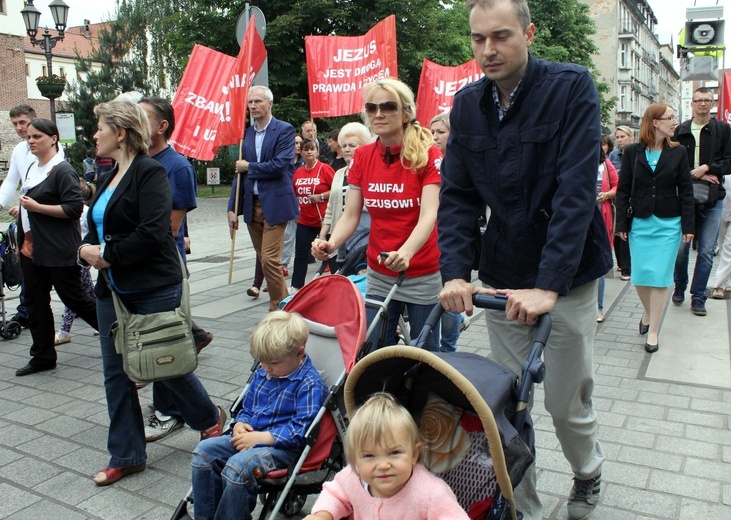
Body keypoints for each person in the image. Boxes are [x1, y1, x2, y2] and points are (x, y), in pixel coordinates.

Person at [436, 1, 612, 519]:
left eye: (501, 36)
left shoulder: (571, 87)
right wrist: (454, 273)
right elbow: (459, 198)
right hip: (505, 277)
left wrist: (550, 285)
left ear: (528, 32)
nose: (487, 50)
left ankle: (587, 471)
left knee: (564, 402)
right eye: (477, 39)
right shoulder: (467, 105)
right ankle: (522, 506)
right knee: (504, 406)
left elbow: (576, 192)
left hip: (569, 278)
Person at [79, 99, 226, 486]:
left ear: (121, 133)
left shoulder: (151, 172)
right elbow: (94, 227)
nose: (95, 135)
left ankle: (209, 419)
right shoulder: (107, 174)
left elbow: (155, 230)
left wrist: (108, 254)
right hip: (111, 290)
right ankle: (127, 454)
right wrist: (84, 250)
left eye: (101, 128)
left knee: (164, 361)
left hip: (151, 284)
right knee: (117, 372)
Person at [311, 78, 443, 352]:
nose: (378, 114)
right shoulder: (362, 156)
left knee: (425, 354)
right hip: (379, 270)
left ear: (406, 113)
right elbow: (350, 215)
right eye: (371, 108)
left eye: (388, 106)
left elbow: (429, 214)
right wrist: (331, 244)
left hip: (421, 270)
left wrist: (406, 252)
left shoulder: (428, 154)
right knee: (374, 349)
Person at [191, 310, 328, 520]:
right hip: (251, 437)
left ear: (299, 353)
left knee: (238, 467)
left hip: (283, 449)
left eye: (272, 362)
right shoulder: (264, 373)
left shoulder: (309, 384)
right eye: (261, 361)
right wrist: (240, 424)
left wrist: (262, 438)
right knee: (204, 452)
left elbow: (302, 430)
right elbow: (247, 408)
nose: (265, 368)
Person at [138, 96, 215, 442]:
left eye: (143, 117)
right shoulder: (135, 162)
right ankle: (172, 408)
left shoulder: (178, 167)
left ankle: (174, 412)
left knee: (162, 346)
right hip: (136, 267)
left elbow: (170, 227)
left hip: (162, 268)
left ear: (162, 126)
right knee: (157, 343)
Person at [10, 119, 99, 377]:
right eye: (29, 137)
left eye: (37, 136)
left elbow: (73, 209)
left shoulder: (62, 170)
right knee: (35, 302)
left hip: (59, 249)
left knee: (76, 299)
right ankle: (43, 356)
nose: (31, 140)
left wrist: (38, 208)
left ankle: (118, 333)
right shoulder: (32, 170)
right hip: (32, 250)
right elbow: (26, 208)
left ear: (53, 138)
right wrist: (21, 239)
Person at [304, 393, 468, 520]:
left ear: (414, 454)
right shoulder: (353, 479)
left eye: (394, 453)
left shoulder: (431, 494)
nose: (383, 465)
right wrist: (322, 515)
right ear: (355, 461)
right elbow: (335, 494)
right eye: (369, 455)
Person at [615, 104, 695, 352]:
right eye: (670, 118)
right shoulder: (632, 152)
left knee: (660, 279)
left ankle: (654, 331)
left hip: (669, 224)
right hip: (640, 222)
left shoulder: (679, 152)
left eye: (674, 118)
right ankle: (649, 313)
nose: (675, 122)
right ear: (655, 122)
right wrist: (621, 224)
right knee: (639, 276)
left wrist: (688, 225)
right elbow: (623, 190)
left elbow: (686, 191)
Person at [228, 86, 298, 311]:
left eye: (258, 101)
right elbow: (239, 174)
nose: (253, 106)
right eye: (250, 102)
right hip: (252, 205)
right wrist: (232, 208)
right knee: (266, 260)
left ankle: (278, 307)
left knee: (269, 259)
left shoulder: (284, 130)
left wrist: (250, 166)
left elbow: (280, 165)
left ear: (270, 104)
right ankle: (287, 304)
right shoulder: (246, 135)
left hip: (276, 205)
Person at [672, 87, 731, 316]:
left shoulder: (723, 130)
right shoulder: (681, 130)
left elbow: (728, 161)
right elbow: (672, 165)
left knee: (706, 250)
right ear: (692, 104)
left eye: (707, 100)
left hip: (713, 198)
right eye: (698, 100)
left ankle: (698, 297)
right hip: (685, 198)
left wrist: (708, 168)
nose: (703, 104)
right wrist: (693, 173)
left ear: (712, 103)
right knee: (681, 249)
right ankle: (680, 285)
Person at [429, 111, 468, 351]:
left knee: (450, 292)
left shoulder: (460, 163)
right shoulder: (425, 161)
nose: (434, 137)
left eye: (441, 132)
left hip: (449, 238)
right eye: (432, 132)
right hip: (428, 235)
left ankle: (449, 346)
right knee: (437, 296)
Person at [0, 104, 40, 329]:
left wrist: (24, 206)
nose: (18, 128)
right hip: (27, 221)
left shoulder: (48, 145)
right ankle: (26, 311)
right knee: (28, 266)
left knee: (64, 279)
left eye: (22, 122)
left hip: (45, 220)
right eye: (15, 124)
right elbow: (11, 181)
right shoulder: (18, 150)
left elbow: (42, 182)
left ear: (33, 119)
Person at [318, 122, 373, 265]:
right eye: (344, 146)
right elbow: (331, 207)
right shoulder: (339, 174)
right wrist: (324, 234)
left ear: (365, 147)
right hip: (339, 239)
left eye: (352, 145)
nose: (347, 150)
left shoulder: (371, 174)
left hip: (364, 239)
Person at [54, 177, 97, 345]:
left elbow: (90, 232)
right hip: (68, 254)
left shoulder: (85, 211)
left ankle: (64, 331)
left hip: (78, 256)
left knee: (73, 295)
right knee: (87, 291)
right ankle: (101, 318)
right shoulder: (62, 209)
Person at [291, 139, 335, 293]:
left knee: (329, 253)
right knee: (301, 254)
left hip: (324, 220)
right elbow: (295, 193)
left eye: (312, 149)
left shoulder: (325, 169)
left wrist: (321, 196)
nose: (309, 152)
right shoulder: (298, 172)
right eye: (306, 149)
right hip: (305, 220)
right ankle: (297, 286)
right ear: (301, 152)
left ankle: (335, 283)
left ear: (317, 151)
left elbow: (336, 191)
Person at [596, 136, 619, 323]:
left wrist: (607, 194)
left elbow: (618, 186)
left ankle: (599, 308)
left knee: (598, 260)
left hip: (602, 213)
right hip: (580, 214)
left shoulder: (606, 164)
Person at [609, 125, 634, 281]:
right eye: (617, 137)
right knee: (618, 232)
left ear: (631, 137)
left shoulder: (637, 152)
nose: (619, 140)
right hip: (618, 198)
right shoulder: (613, 155)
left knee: (628, 232)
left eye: (622, 137)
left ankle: (627, 268)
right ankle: (621, 263)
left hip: (633, 196)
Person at [712, 176, 731, 298]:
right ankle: (728, 280)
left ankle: (718, 285)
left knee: (729, 246)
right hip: (720, 204)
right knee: (722, 244)